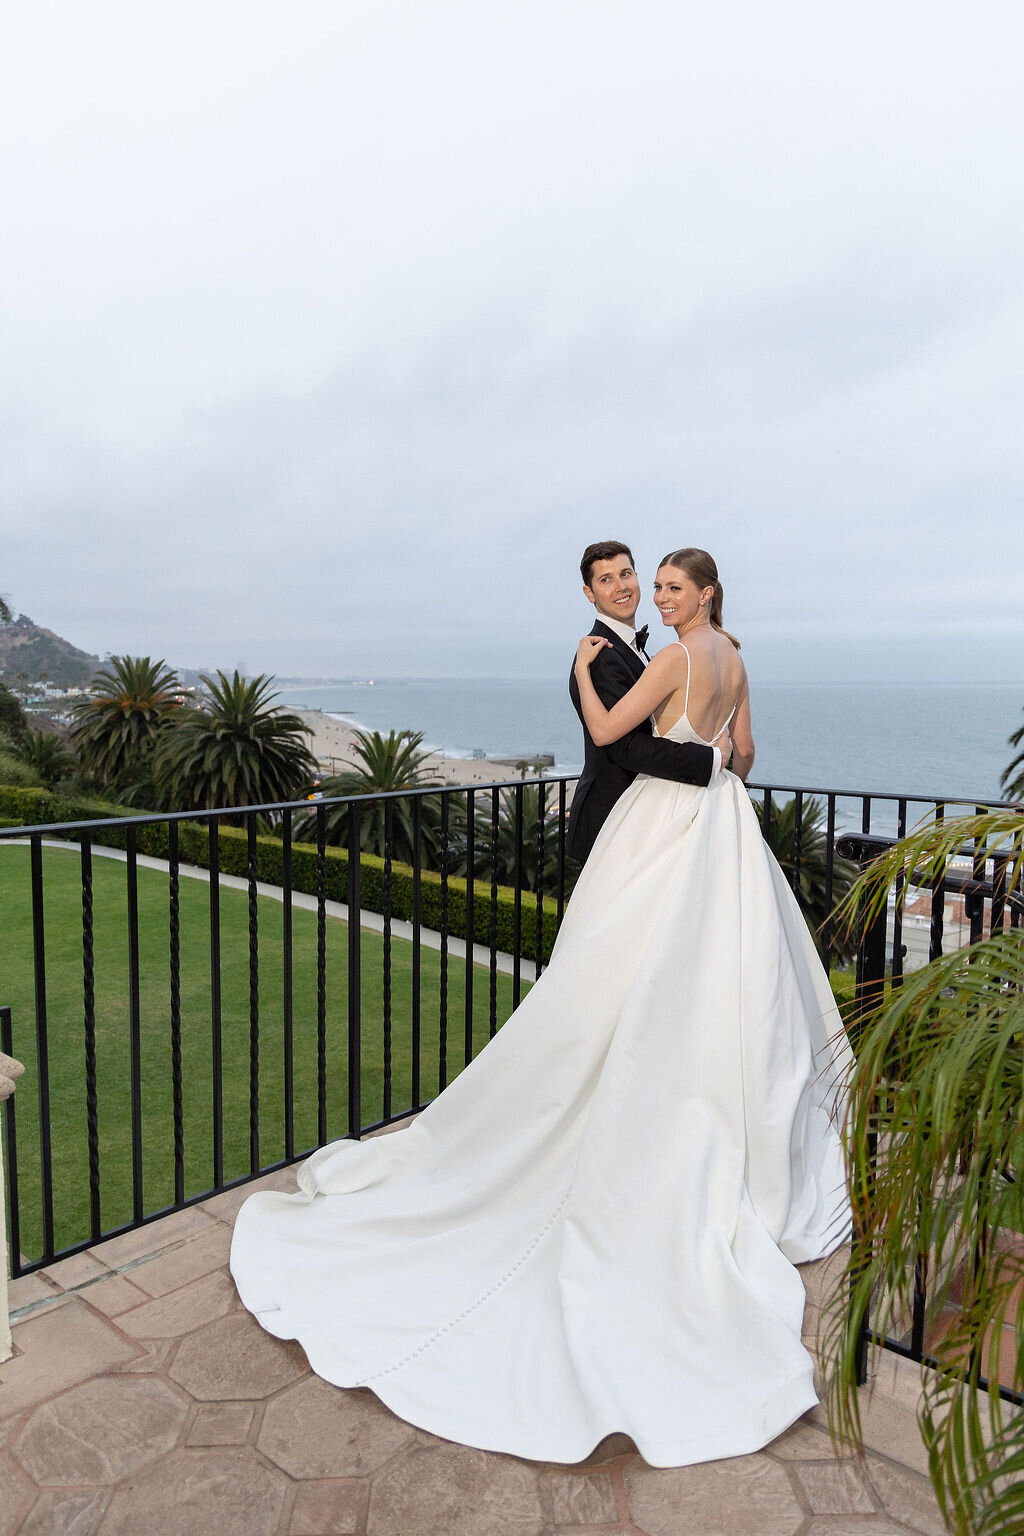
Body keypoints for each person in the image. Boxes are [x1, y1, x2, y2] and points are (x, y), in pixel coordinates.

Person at [230, 547, 851, 1469]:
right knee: (722, 984)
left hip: (659, 821)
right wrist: (713, 770)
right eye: (651, 587)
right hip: (721, 826)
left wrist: (582, 681)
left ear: (701, 592)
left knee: (613, 974)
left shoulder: (676, 656)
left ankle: (611, 1115)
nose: (658, 598)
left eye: (671, 587)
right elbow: (746, 755)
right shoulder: (737, 656)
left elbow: (608, 734)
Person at [567, 540, 725, 863]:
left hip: (640, 820)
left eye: (626, 574)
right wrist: (711, 758)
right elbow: (626, 747)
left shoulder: (638, 652)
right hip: (609, 820)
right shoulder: (600, 657)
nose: (621, 587)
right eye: (606, 579)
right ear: (589, 593)